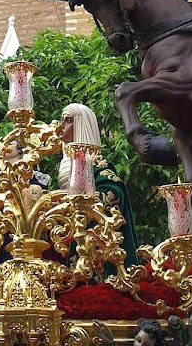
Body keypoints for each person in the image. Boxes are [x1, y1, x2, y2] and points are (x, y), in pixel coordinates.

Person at [58, 103, 139, 267]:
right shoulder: (65, 163)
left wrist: (80, 203)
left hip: (97, 248)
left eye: (68, 121)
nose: (61, 126)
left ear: (81, 125)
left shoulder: (98, 164)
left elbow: (115, 192)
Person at [0, 140, 51, 291]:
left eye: (10, 143)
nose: (5, 145)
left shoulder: (39, 178)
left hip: (28, 234)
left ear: (20, 148)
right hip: (0, 234)